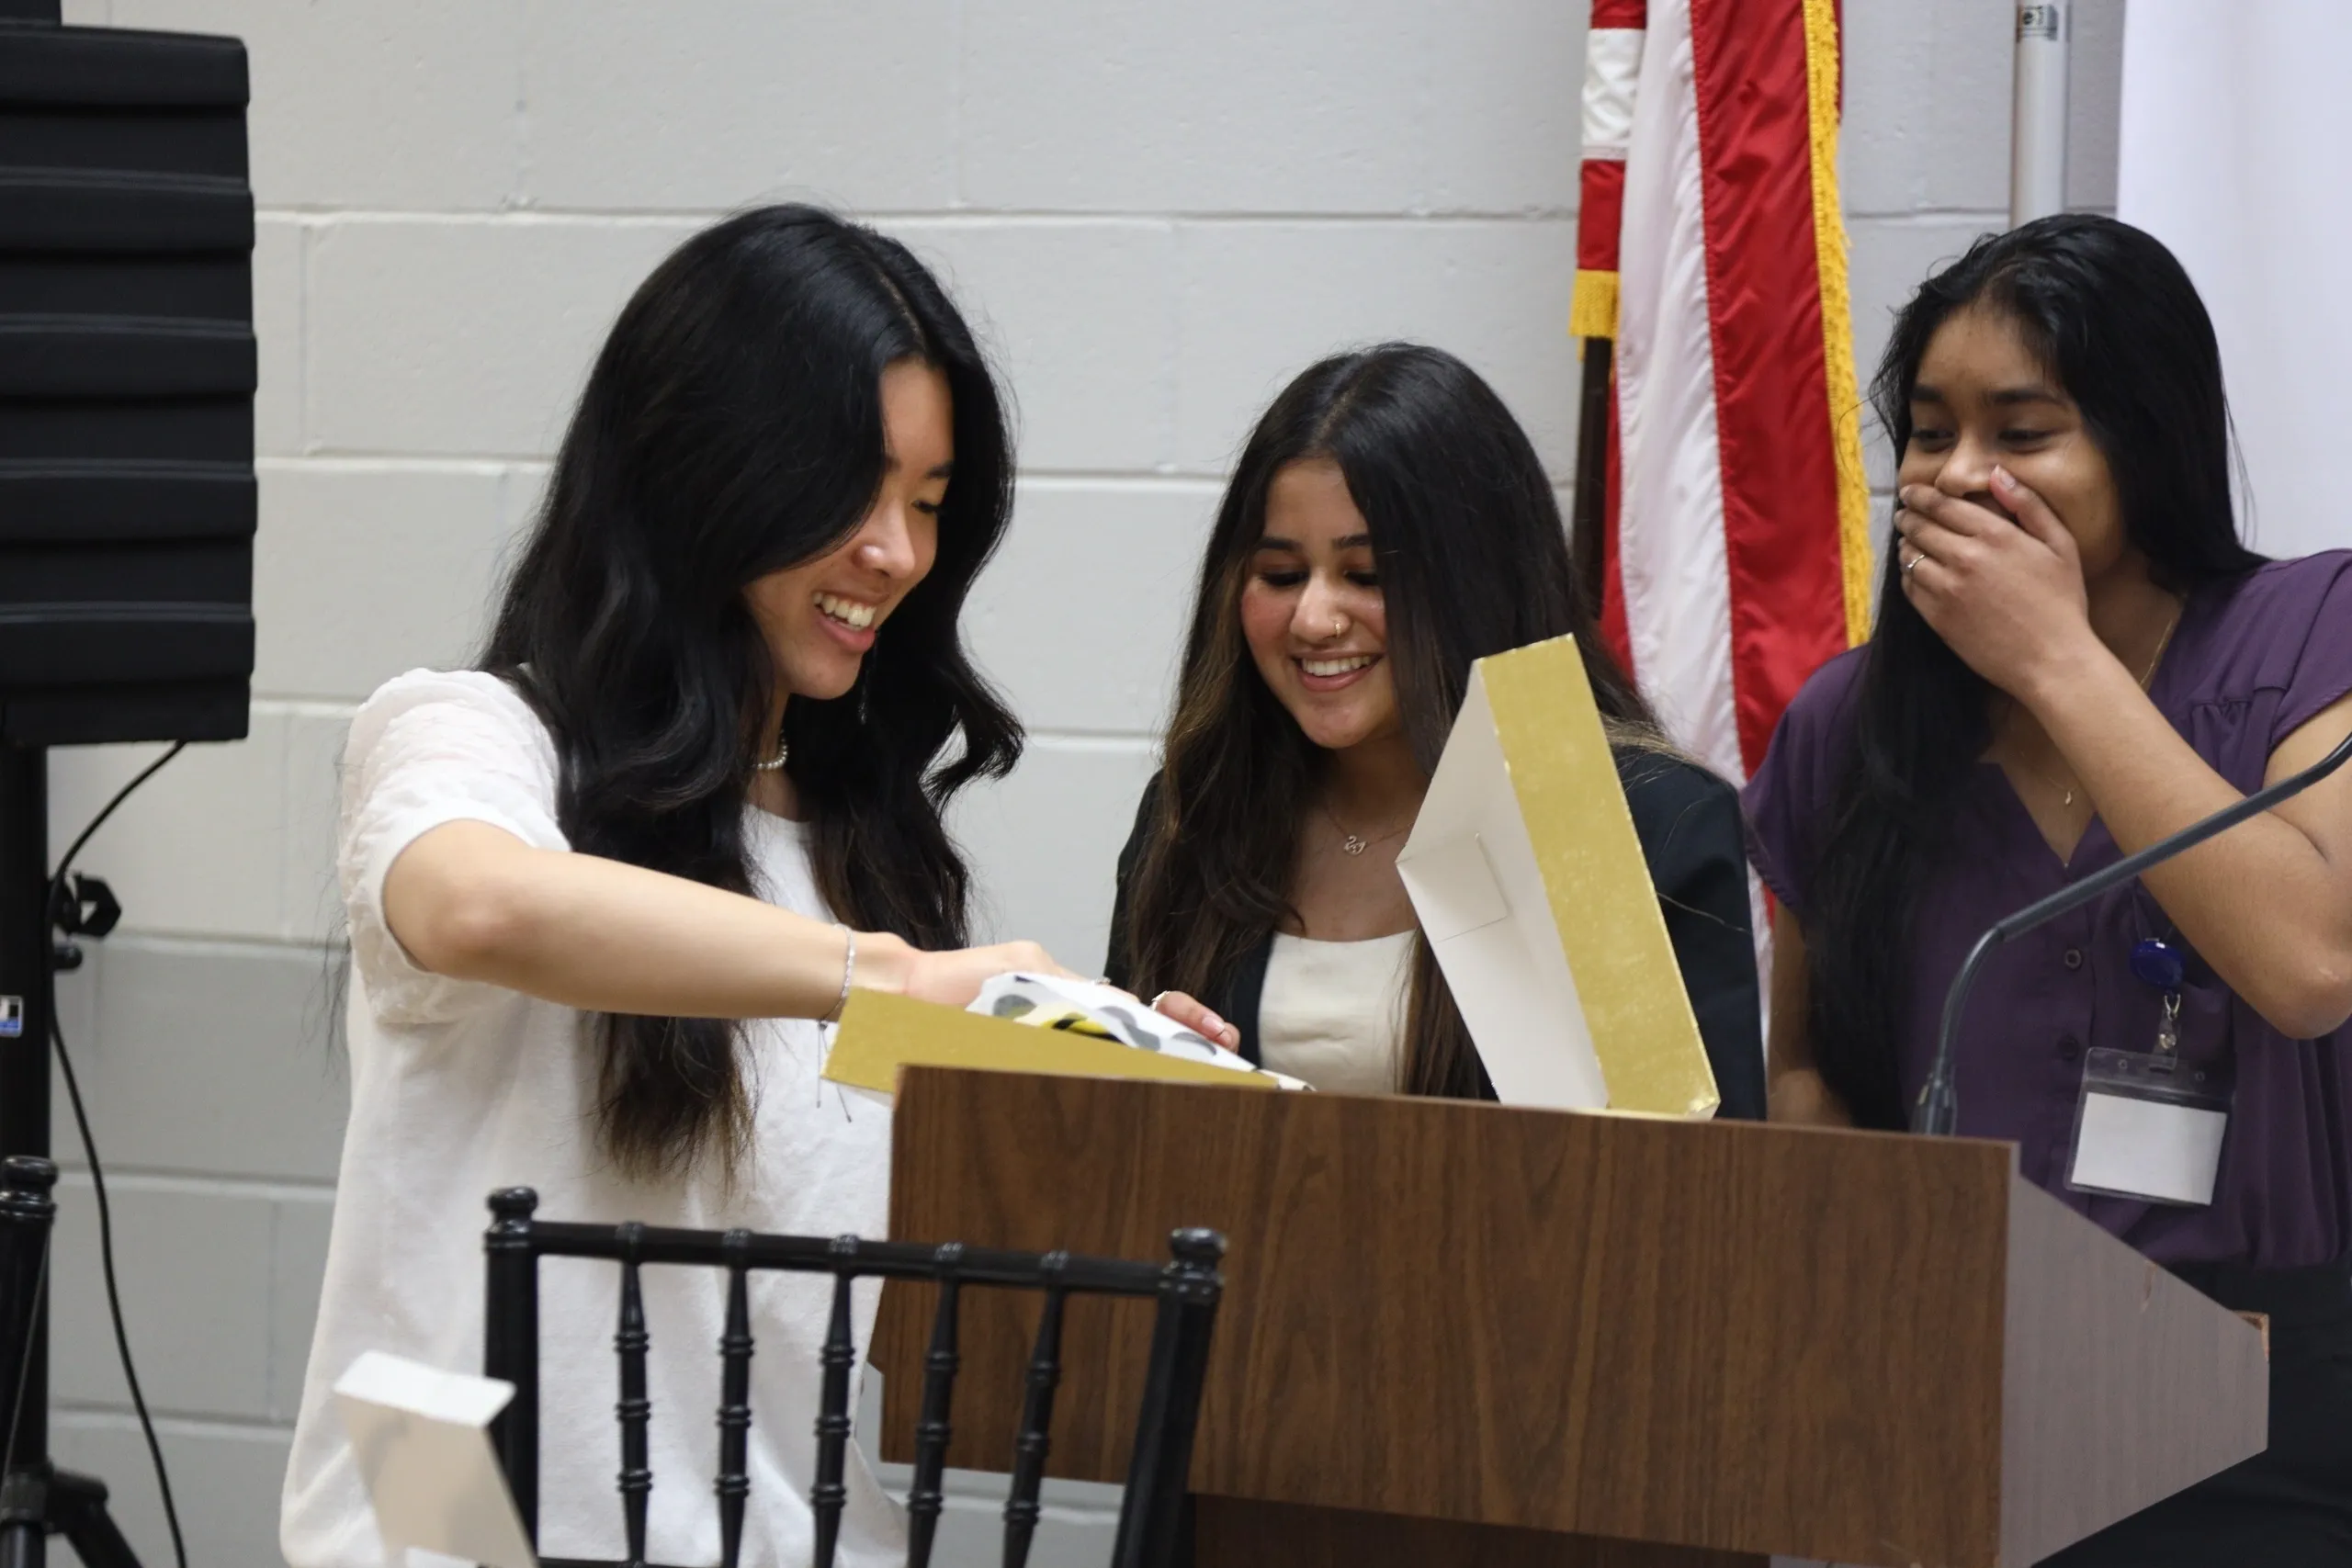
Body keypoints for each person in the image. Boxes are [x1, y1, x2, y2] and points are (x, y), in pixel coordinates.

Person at [281, 206, 1071, 1568]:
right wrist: (889, 973)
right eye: (854, 488)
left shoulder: (858, 849)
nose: (894, 551)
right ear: (706, 469)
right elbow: (481, 903)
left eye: (930, 505)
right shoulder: (470, 736)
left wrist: (1121, 1070)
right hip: (457, 1537)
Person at [1745, 214, 2352, 1563]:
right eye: (1929, 430)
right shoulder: (1854, 721)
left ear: (2147, 439)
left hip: (2257, 1409)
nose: (1961, 476)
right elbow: (1809, 1071)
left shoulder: (2309, 630)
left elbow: (2312, 964)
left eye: (2024, 433)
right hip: (1950, 1383)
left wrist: (2056, 662)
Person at [1107, 344, 1765, 1113]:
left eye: (1367, 576)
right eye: (1281, 576)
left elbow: (1702, 1177)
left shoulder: (1627, 816)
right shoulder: (1197, 805)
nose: (1315, 619)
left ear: (1473, 581)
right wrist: (1138, 1062)